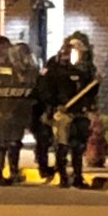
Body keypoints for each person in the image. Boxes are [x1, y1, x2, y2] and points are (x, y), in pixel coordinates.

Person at [41, 37, 98, 189]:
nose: (67, 57)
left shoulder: (80, 73)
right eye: (65, 54)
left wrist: (92, 89)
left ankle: (78, 177)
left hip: (78, 112)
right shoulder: (52, 73)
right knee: (62, 144)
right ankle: (63, 177)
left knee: (78, 146)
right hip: (62, 113)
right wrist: (55, 106)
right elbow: (45, 92)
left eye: (70, 54)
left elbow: (89, 92)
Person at [0, 37, 37, 186]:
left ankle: (13, 171)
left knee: (14, 141)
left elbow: (30, 84)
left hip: (16, 109)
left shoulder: (20, 68)